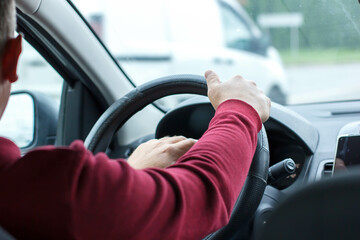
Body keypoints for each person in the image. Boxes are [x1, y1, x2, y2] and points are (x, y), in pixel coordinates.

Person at [0, 0, 271, 239]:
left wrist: (131, 177)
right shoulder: (41, 187)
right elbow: (199, 196)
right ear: (12, 59)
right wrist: (240, 109)